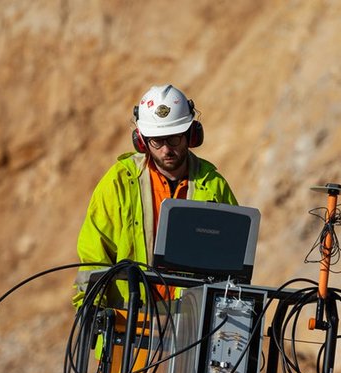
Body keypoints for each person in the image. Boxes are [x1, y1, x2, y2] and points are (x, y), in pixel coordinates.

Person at [74, 84, 237, 306]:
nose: (166, 149)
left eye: (174, 138)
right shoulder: (119, 182)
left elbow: (233, 263)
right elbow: (94, 258)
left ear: (190, 135)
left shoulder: (214, 186)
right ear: (141, 140)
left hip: (193, 326)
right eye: (157, 140)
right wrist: (90, 311)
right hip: (131, 322)